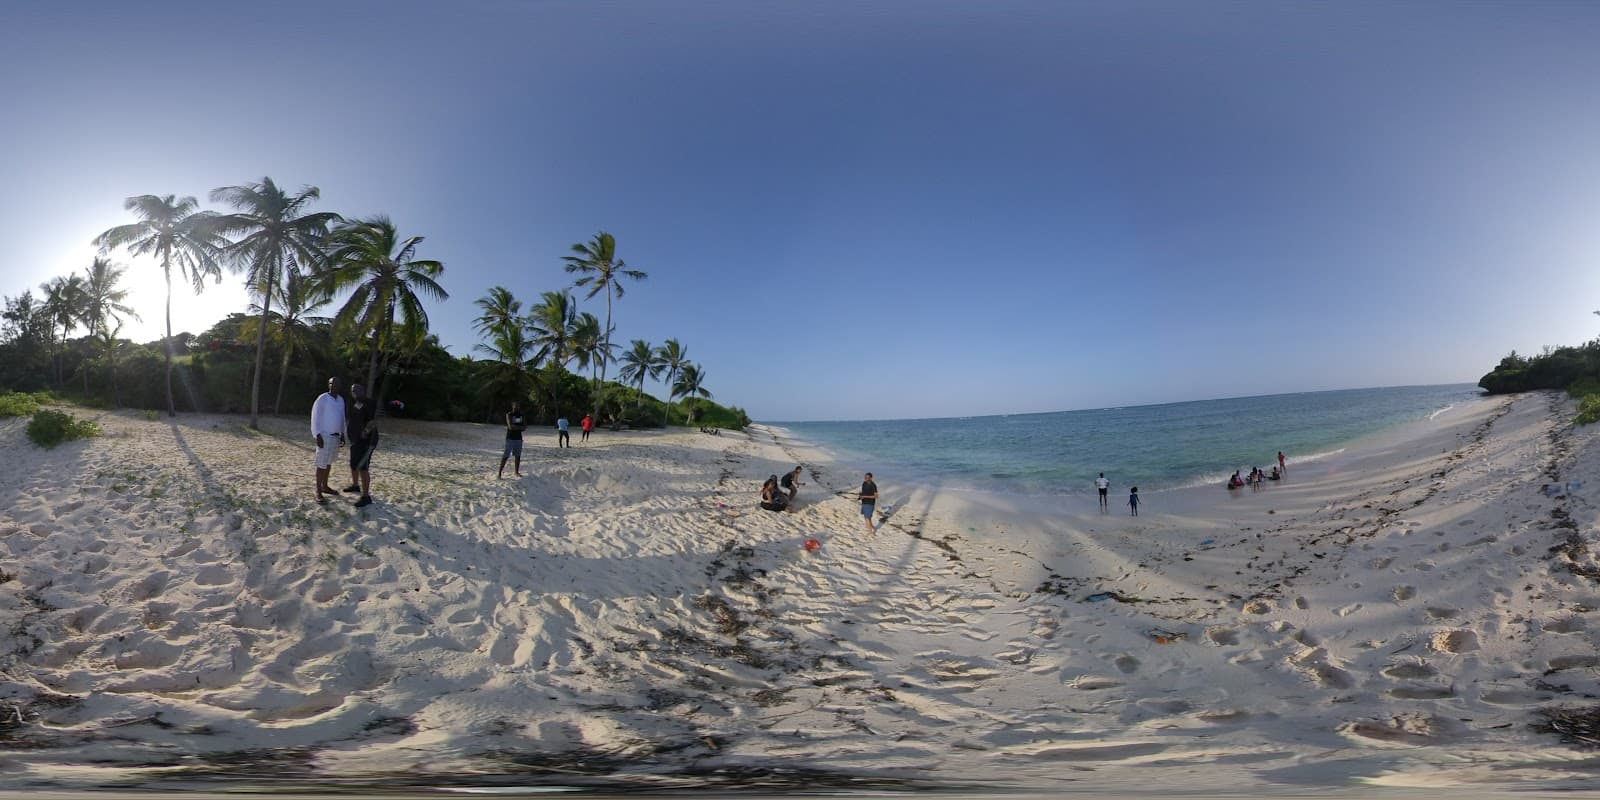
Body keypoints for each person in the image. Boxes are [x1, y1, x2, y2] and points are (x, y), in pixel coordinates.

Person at [310, 376, 347, 504]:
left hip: (336, 437)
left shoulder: (341, 400)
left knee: (329, 462)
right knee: (321, 464)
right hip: (324, 436)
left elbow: (342, 417)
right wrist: (317, 435)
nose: (335, 385)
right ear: (329, 384)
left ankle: (325, 486)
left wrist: (343, 433)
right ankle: (318, 491)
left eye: (338, 383)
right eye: (333, 383)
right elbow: (315, 416)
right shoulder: (323, 398)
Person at [342, 382, 379, 507]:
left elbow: (373, 421)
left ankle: (366, 496)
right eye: (353, 391)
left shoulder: (371, 403)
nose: (355, 393)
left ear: (363, 391)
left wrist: (365, 431)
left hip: (367, 442)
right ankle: (355, 485)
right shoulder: (352, 403)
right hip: (355, 440)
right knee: (353, 464)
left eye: (357, 390)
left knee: (363, 467)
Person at [499, 402, 527, 478]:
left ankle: (516, 472)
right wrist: (519, 427)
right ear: (512, 406)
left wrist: (516, 427)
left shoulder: (522, 415)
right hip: (510, 438)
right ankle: (499, 473)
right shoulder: (509, 414)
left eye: (518, 407)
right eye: (515, 407)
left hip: (519, 438)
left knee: (518, 456)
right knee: (506, 456)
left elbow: (525, 427)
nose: (516, 408)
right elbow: (510, 427)